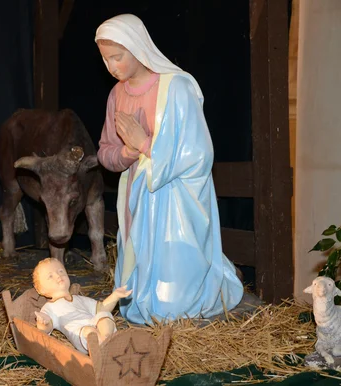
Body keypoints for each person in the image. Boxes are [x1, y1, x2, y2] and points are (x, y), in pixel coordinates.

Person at [95, 14, 243, 325]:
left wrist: (146, 144)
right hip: (136, 199)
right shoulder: (116, 95)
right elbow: (105, 153)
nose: (112, 67)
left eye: (117, 57)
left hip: (175, 203)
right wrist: (126, 151)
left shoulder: (176, 88)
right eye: (105, 59)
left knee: (174, 298)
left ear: (137, 47)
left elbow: (199, 153)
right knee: (135, 282)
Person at [33, 257, 132, 353]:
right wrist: (43, 323)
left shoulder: (79, 299)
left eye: (61, 271)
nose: (58, 276)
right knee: (89, 332)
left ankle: (107, 341)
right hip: (79, 333)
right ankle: (102, 349)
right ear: (42, 290)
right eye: (50, 276)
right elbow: (46, 329)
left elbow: (101, 308)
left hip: (96, 324)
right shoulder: (50, 307)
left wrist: (115, 296)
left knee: (104, 315)